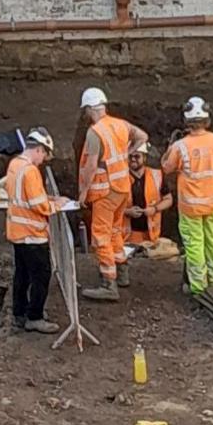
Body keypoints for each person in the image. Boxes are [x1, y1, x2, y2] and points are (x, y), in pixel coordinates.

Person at [77, 85, 143, 300]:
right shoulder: (120, 125)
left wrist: (83, 193)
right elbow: (142, 136)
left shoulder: (95, 132)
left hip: (105, 191)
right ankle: (122, 272)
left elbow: (90, 166)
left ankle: (108, 284)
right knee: (115, 231)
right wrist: (128, 153)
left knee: (100, 235)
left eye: (86, 110)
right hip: (122, 187)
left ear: (90, 108)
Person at [164, 97, 213, 295]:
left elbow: (167, 167)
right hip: (212, 203)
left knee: (194, 246)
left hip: (190, 206)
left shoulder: (180, 146)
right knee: (211, 241)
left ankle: (199, 288)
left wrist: (170, 147)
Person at [2, 129, 59, 332]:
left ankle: (19, 312)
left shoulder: (15, 165)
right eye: (44, 154)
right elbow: (39, 205)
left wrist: (48, 200)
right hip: (32, 235)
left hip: (17, 231)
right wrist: (57, 205)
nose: (43, 159)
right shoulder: (31, 171)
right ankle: (34, 317)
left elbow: (23, 197)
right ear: (39, 149)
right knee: (41, 275)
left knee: (22, 274)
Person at [125, 137, 169, 253]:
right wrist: (126, 212)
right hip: (127, 236)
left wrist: (155, 209)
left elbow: (168, 199)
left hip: (152, 235)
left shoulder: (157, 175)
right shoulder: (120, 177)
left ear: (144, 157)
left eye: (137, 156)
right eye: (130, 156)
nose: (133, 159)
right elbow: (109, 205)